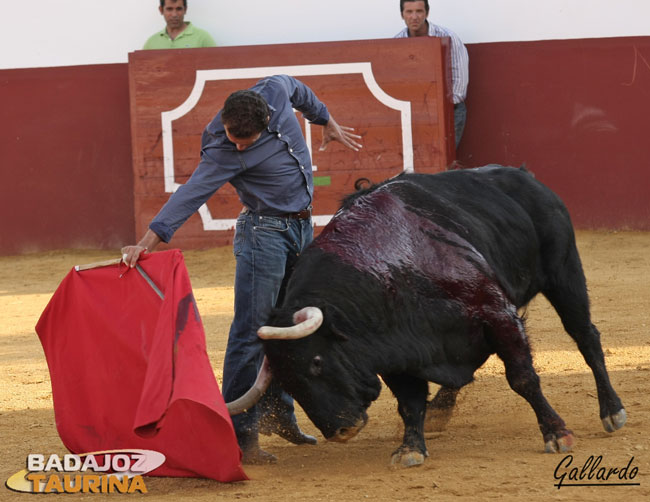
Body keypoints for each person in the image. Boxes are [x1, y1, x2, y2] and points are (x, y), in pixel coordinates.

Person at [122, 75, 362, 464]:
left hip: (301, 229)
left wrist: (325, 120)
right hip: (263, 236)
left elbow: (299, 89)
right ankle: (239, 436)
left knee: (286, 328)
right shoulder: (222, 149)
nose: (236, 145)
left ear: (267, 120)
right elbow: (189, 194)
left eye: (243, 142)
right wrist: (146, 243)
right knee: (251, 334)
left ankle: (277, 413)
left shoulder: (276, 92)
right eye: (232, 137)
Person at [394, 0, 469, 148]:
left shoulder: (448, 37)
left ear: (427, 13)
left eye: (419, 11)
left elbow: (460, 80)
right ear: (402, 15)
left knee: (443, 160)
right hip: (415, 114)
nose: (414, 17)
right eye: (409, 12)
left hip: (448, 110)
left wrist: (444, 108)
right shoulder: (396, 42)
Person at [143, 0, 216, 50]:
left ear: (185, 10)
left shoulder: (203, 38)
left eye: (179, 9)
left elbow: (217, 68)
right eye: (169, 9)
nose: (174, 14)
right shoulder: (152, 43)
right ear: (161, 10)